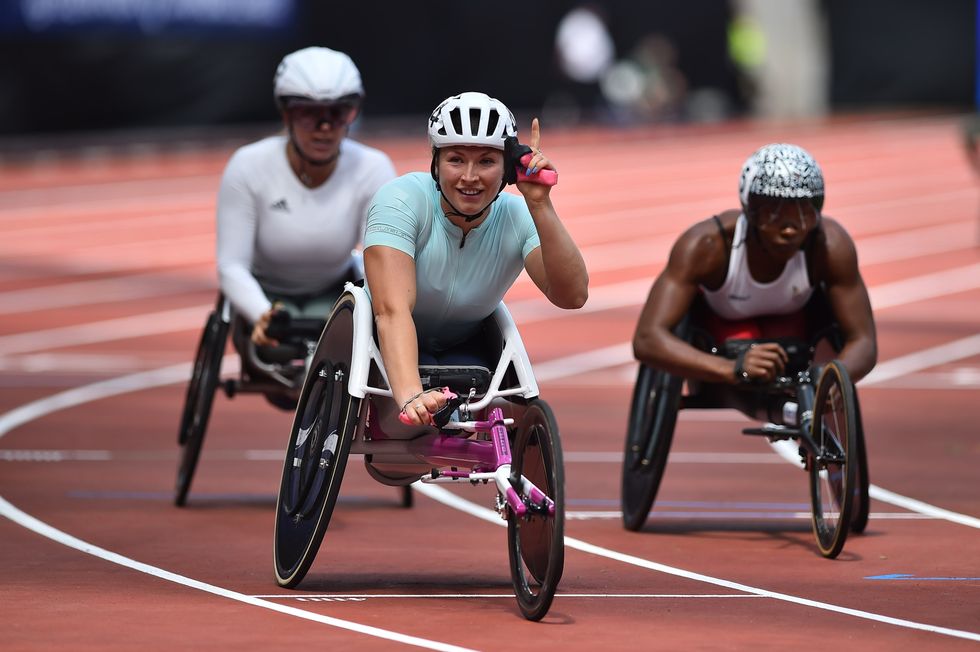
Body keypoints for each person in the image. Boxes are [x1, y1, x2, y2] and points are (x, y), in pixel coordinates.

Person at [363, 92, 589, 426]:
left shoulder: (517, 213)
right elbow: (391, 311)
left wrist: (540, 204)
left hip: (467, 346)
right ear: (435, 163)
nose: (470, 176)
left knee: (478, 375)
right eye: (456, 160)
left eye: (486, 161)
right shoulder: (400, 201)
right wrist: (412, 396)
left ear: (508, 169)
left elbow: (572, 296)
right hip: (382, 344)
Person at [632, 143, 876, 390]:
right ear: (750, 210)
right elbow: (647, 338)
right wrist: (732, 368)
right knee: (742, 339)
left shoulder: (830, 245)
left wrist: (835, 379)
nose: (790, 228)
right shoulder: (707, 246)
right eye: (774, 212)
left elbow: (863, 340)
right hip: (723, 334)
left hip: (797, 330)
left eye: (803, 212)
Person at [216, 46, 396, 351]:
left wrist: (371, 311)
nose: (324, 128)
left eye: (338, 113)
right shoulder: (247, 165)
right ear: (287, 113)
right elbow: (231, 265)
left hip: (335, 296)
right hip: (267, 296)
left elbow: (377, 261)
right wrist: (262, 314)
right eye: (309, 114)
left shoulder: (373, 168)